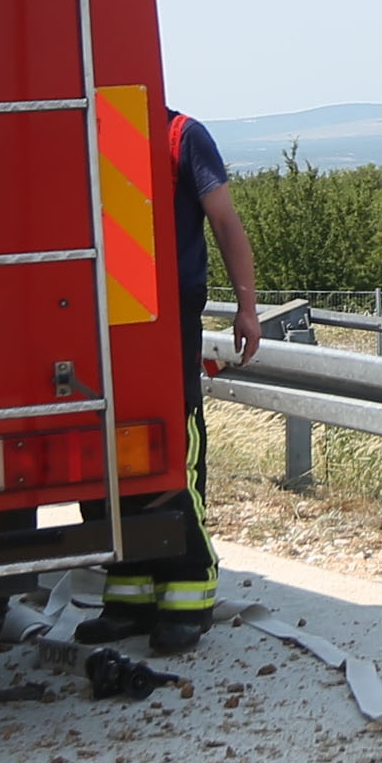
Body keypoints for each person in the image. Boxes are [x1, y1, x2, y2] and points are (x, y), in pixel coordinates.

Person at [84, 112, 259, 655]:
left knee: (171, 443)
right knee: (104, 449)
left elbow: (225, 222)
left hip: (165, 312)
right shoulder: (81, 124)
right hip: (91, 311)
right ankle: (130, 592)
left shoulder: (181, 134)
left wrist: (247, 308)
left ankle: (188, 589)